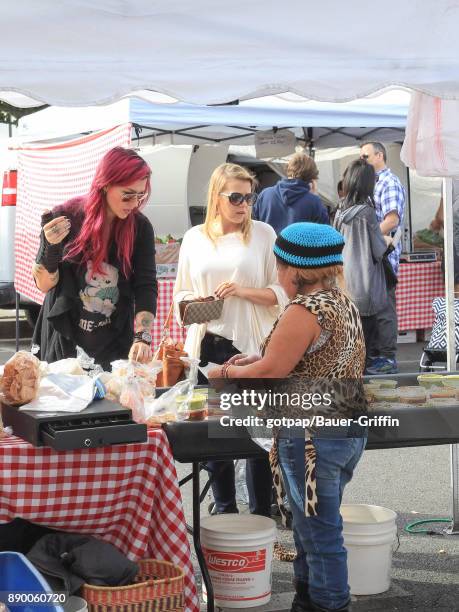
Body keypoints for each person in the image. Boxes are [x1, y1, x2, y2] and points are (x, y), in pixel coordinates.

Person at [208, 222, 366, 612]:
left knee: (319, 535)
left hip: (312, 436)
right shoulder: (340, 301)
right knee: (313, 529)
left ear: (294, 270)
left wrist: (223, 373)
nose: (276, 273)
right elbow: (297, 358)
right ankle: (307, 600)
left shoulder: (304, 309)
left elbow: (272, 371)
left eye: (279, 265)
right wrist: (255, 359)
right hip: (344, 429)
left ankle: (329, 604)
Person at [173, 162, 286, 517]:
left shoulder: (265, 234)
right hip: (208, 343)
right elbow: (182, 293)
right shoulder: (194, 238)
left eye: (249, 197)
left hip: (252, 346)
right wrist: (198, 304)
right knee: (216, 434)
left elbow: (283, 292)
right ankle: (224, 513)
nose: (244, 205)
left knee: (257, 435)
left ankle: (261, 515)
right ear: (216, 197)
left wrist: (243, 291)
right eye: (235, 197)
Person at [32, 146, 157, 370]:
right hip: (65, 339)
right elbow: (43, 284)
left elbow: (146, 285)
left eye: (140, 196)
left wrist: (143, 336)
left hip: (114, 341)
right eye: (128, 195)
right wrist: (50, 248)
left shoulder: (140, 227)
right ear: (105, 184)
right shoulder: (67, 217)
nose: (134, 204)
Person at [334, 159, 388, 359]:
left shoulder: (340, 211)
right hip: (366, 286)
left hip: (344, 284)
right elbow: (378, 249)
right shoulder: (367, 213)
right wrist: (387, 240)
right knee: (366, 344)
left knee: (348, 343)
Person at [360, 141, 406, 374]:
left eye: (365, 156)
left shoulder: (389, 182)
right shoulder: (376, 183)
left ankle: (387, 359)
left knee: (384, 307)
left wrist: (365, 236)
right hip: (375, 255)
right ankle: (379, 356)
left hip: (383, 256)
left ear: (380, 155)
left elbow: (391, 221)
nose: (363, 161)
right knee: (376, 308)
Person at [252, 152, 329, 234]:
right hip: (300, 246)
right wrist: (314, 197)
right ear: (312, 178)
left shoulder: (265, 194)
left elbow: (252, 226)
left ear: (288, 169)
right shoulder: (314, 202)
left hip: (268, 246)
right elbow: (325, 236)